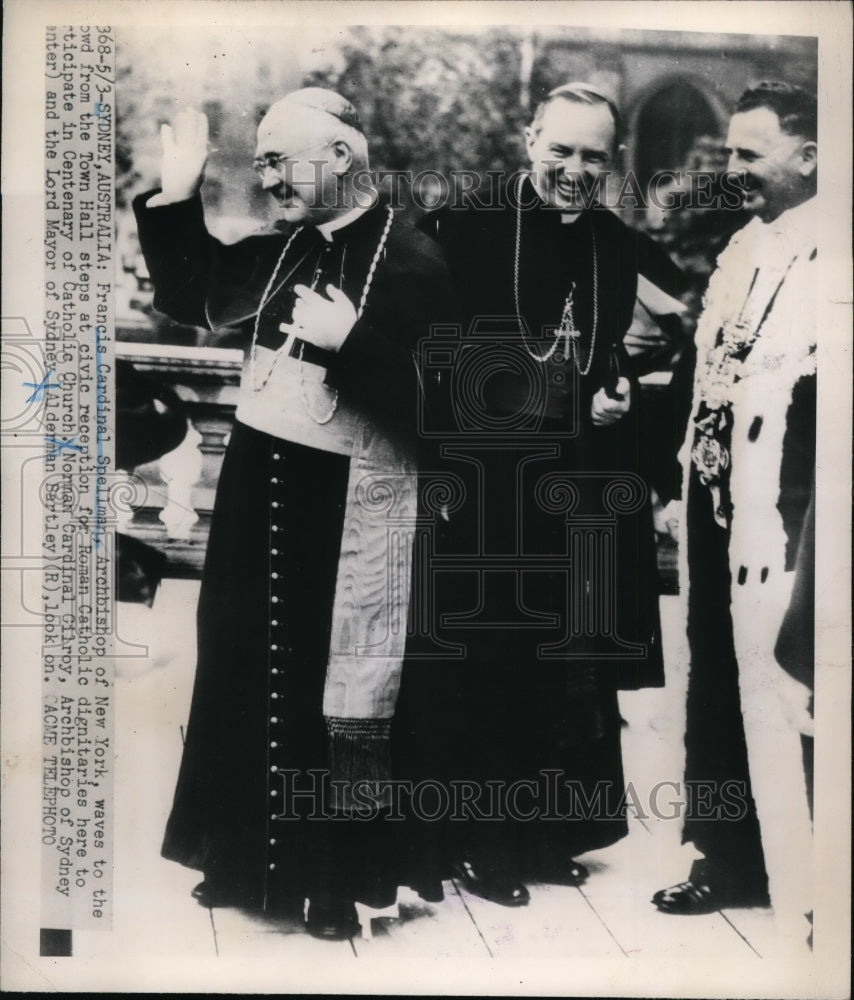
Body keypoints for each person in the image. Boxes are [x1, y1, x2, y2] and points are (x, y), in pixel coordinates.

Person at [133, 88, 456, 939]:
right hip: (255, 489)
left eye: (282, 159)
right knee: (240, 665)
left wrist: (356, 344)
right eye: (263, 161)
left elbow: (455, 410)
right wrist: (178, 197)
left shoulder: (419, 260)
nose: (267, 176)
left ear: (342, 157)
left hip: (344, 509)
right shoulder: (288, 249)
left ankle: (333, 881)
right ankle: (237, 857)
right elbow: (194, 295)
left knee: (328, 690)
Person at [400, 82, 682, 906]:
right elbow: (423, 350)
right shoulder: (463, 225)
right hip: (483, 484)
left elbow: (605, 353)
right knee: (492, 663)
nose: (574, 170)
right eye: (560, 150)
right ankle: (482, 841)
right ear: (530, 139)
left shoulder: (615, 244)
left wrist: (613, 390)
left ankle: (550, 831)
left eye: (594, 156)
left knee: (567, 668)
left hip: (575, 486)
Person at [652, 82, 817, 945]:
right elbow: (703, 370)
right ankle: (726, 855)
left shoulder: (839, 258)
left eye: (750, 154)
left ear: (811, 156)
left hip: (797, 522)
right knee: (714, 680)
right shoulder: (747, 249)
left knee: (792, 687)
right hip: (718, 507)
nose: (732, 170)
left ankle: (807, 866)